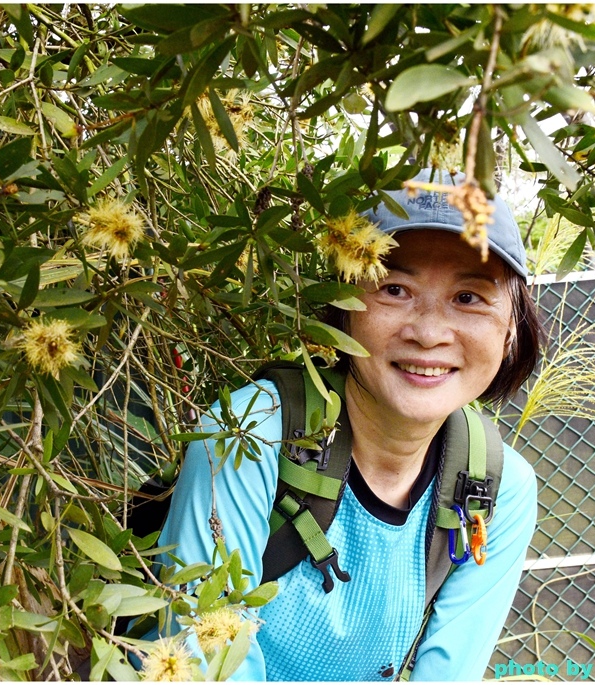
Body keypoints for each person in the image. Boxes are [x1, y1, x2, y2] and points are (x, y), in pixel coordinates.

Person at [155, 168, 544, 681]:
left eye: (468, 297)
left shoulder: (496, 486)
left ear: (511, 324)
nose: (429, 333)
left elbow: (448, 673)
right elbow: (205, 662)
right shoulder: (250, 434)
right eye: (394, 289)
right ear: (342, 307)